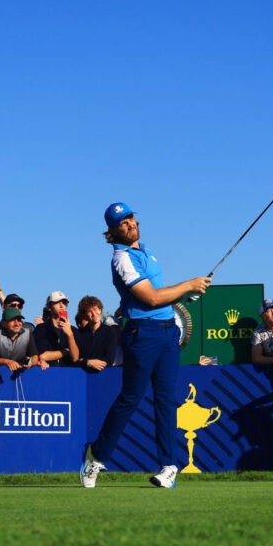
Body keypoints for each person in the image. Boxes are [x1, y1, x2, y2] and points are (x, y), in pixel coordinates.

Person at [80, 202, 210, 489]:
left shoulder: (146, 252)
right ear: (112, 232)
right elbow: (149, 298)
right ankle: (96, 457)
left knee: (166, 400)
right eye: (122, 223)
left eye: (130, 218)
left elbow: (161, 297)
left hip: (167, 333)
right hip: (142, 333)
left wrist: (184, 296)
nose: (129, 224)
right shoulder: (121, 259)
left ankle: (169, 467)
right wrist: (189, 284)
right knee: (131, 398)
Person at [0, 307, 46, 371]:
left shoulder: (27, 333)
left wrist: (31, 362)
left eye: (19, 320)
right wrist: (5, 362)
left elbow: (34, 356)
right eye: (12, 320)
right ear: (3, 323)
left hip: (21, 375)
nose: (17, 324)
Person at [34, 291, 80, 366]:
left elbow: (75, 358)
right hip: (47, 373)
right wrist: (65, 352)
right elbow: (42, 356)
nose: (62, 306)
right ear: (49, 307)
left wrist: (70, 335)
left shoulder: (73, 330)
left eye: (64, 303)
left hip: (67, 375)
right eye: (57, 302)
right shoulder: (41, 328)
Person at [74, 295, 117, 372]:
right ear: (85, 315)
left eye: (95, 309)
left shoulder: (110, 332)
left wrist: (90, 362)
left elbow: (110, 359)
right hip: (83, 377)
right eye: (90, 311)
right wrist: (87, 362)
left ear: (100, 310)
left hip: (105, 375)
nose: (94, 314)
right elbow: (75, 360)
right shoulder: (79, 334)